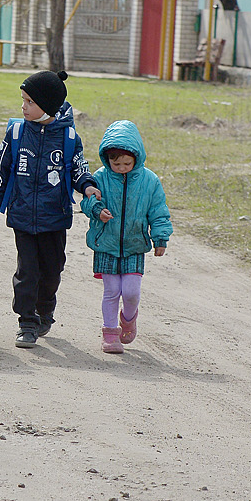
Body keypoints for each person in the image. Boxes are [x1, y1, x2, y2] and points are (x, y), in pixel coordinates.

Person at [0, 70, 101, 348]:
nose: (23, 107)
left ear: (46, 106)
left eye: (29, 102)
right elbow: (1, 169)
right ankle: (26, 322)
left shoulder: (69, 137)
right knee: (27, 272)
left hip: (55, 217)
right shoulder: (16, 132)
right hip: (22, 214)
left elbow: (78, 169)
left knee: (52, 270)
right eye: (22, 100)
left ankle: (45, 310)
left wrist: (87, 186)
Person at [81, 120, 172, 354]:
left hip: (134, 245)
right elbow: (88, 200)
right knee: (111, 291)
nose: (121, 167)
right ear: (107, 158)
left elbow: (158, 210)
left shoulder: (149, 181)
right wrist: (96, 210)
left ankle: (128, 319)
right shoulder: (99, 177)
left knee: (131, 292)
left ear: (137, 158)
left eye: (127, 163)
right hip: (106, 244)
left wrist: (160, 238)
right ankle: (110, 334)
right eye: (116, 163)